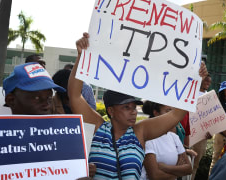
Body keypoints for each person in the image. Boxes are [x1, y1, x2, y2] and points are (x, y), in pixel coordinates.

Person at [68, 33, 208, 179]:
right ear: (110, 110)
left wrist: (195, 81)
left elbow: (175, 115)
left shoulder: (140, 132)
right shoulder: (99, 128)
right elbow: (75, 96)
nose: (133, 112)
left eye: (134, 107)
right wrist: (81, 57)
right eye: (126, 108)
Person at [3, 62, 96, 178]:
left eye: (48, 97)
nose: (46, 105)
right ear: (11, 100)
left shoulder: (64, 137)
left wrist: (78, 171)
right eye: (37, 98)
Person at [140, 101, 192, 180]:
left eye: (173, 111)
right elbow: (155, 176)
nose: (172, 115)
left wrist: (165, 167)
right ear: (156, 113)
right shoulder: (148, 139)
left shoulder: (174, 137)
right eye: (168, 111)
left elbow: (188, 169)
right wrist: (177, 171)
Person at [209, 80, 226, 175]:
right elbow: (214, 120)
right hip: (220, 135)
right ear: (222, 91)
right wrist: (225, 132)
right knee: (216, 161)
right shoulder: (217, 104)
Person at [191, 75, 212, 180]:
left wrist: (211, 131)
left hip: (201, 135)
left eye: (209, 79)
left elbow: (212, 117)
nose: (208, 80)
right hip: (187, 132)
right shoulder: (190, 93)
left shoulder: (210, 96)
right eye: (206, 78)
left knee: (195, 165)